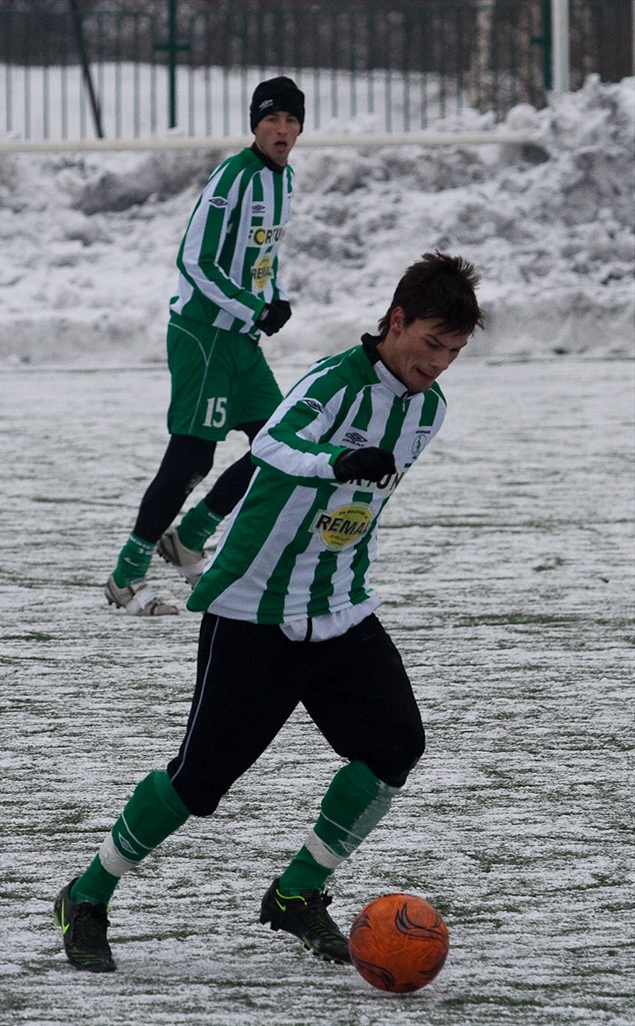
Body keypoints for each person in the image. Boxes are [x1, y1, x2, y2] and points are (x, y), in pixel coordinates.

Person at [55, 252, 484, 972]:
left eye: (454, 352)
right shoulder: (330, 381)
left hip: (340, 608)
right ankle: (86, 893)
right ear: (397, 320)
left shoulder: (429, 410)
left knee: (394, 746)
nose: (438, 363)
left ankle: (296, 891)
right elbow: (276, 443)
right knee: (198, 780)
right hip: (253, 607)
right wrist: (334, 463)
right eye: (431, 344)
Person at [104, 76, 305, 616]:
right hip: (204, 335)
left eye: (290, 120)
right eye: (271, 120)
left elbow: (265, 255)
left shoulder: (284, 181)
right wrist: (253, 307)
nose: (281, 130)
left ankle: (190, 538)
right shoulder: (233, 178)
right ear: (254, 126)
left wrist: (277, 297)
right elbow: (194, 260)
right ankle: (125, 578)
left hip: (241, 340)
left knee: (279, 447)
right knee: (192, 456)